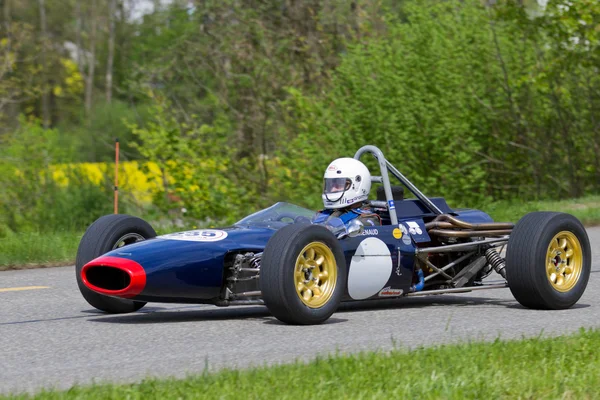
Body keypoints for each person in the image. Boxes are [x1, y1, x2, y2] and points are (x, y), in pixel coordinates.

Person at [314, 157, 381, 227]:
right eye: (330, 185)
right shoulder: (324, 215)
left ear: (357, 186)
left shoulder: (366, 220)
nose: (333, 189)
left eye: (338, 185)